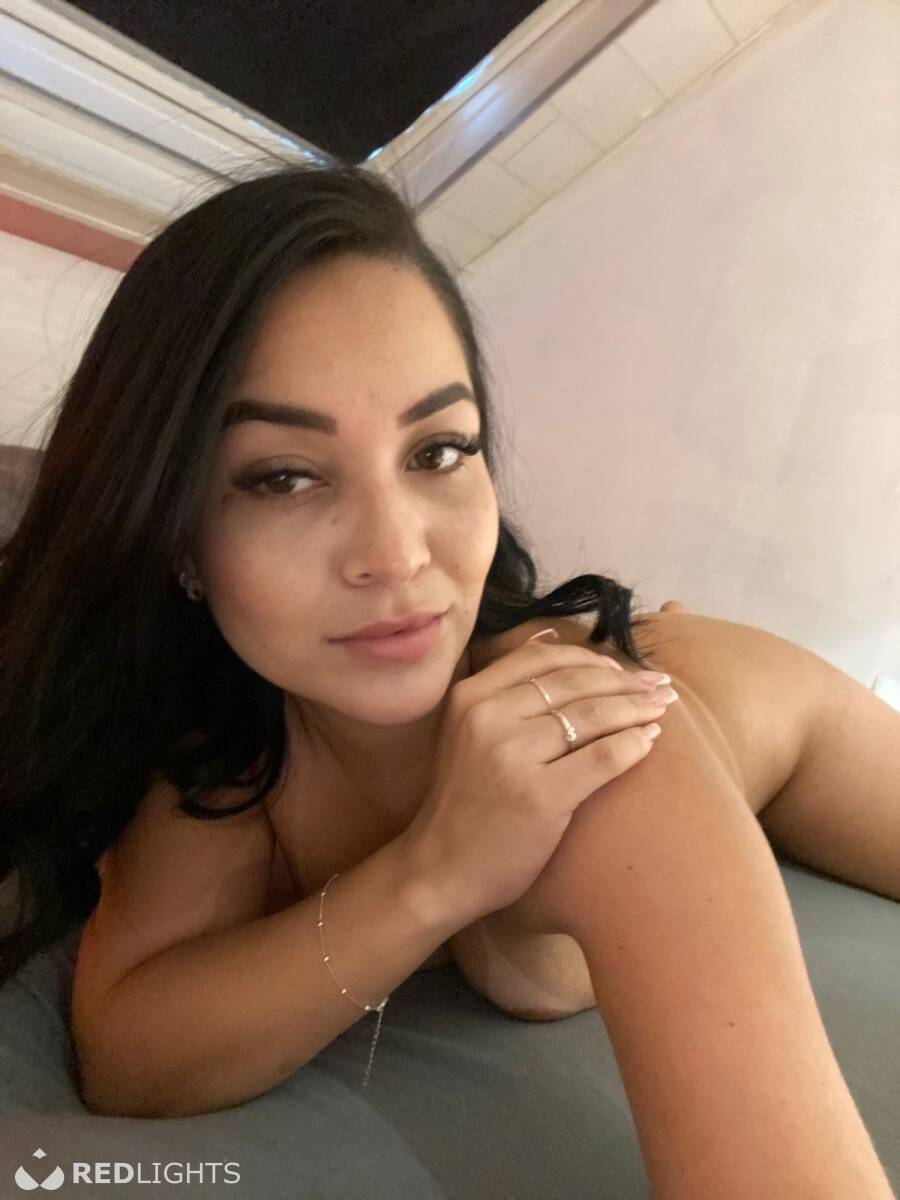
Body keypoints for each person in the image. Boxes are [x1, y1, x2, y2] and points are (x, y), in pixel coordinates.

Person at [0, 161, 895, 1199]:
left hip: (760, 705)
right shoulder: (237, 752)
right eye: (285, 477)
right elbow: (130, 1056)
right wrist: (438, 873)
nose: (396, 555)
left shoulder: (595, 737)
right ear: (181, 543)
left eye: (437, 451)